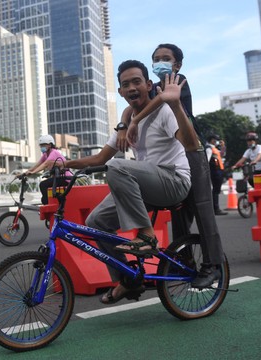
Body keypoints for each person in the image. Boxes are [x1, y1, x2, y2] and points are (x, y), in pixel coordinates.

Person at [65, 59, 198, 305]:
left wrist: (176, 104)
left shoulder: (164, 111)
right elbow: (100, 157)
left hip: (174, 181)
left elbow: (191, 146)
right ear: (120, 92)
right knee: (96, 222)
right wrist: (64, 164)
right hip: (147, 185)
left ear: (149, 85)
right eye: (126, 84)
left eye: (137, 81)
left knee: (116, 166)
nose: (131, 87)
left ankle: (147, 237)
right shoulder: (125, 124)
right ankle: (127, 279)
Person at [116, 43, 226, 288]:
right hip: (173, 160)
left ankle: (212, 266)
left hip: (192, 150)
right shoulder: (153, 87)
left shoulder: (178, 81)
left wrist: (135, 121)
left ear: (177, 64)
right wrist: (125, 124)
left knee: (202, 209)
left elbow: (161, 103)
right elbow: (129, 108)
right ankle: (184, 263)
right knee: (179, 215)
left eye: (166, 58)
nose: (160, 62)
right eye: (156, 58)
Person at [22, 135, 70, 205]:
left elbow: (45, 164)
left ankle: (48, 206)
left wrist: (32, 172)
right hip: (59, 178)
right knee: (45, 192)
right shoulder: (45, 154)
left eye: (43, 145)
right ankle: (51, 203)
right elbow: (37, 165)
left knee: (43, 185)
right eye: (41, 145)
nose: (42, 147)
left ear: (50, 145)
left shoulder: (54, 152)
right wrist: (24, 173)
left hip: (66, 178)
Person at [206, 134, 227, 215]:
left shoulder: (214, 148)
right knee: (216, 190)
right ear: (211, 140)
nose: (217, 141)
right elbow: (207, 160)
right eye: (216, 139)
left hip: (218, 171)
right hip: (215, 171)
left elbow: (222, 154)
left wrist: (223, 146)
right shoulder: (209, 148)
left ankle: (215, 208)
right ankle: (216, 209)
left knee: (216, 190)